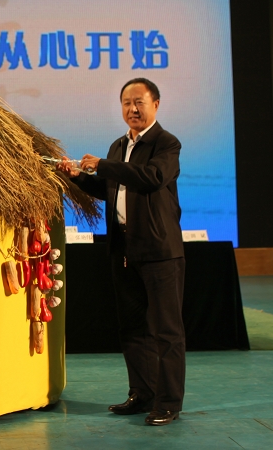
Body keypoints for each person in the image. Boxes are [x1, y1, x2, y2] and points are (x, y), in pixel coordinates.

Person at [57, 78, 185, 426]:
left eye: (139, 102)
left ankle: (168, 403)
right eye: (127, 103)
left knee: (166, 331)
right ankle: (142, 394)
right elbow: (109, 188)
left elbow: (151, 177)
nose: (133, 109)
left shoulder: (166, 143)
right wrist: (77, 177)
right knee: (132, 328)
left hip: (159, 251)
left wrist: (103, 165)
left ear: (156, 104)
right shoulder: (118, 146)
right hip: (123, 249)